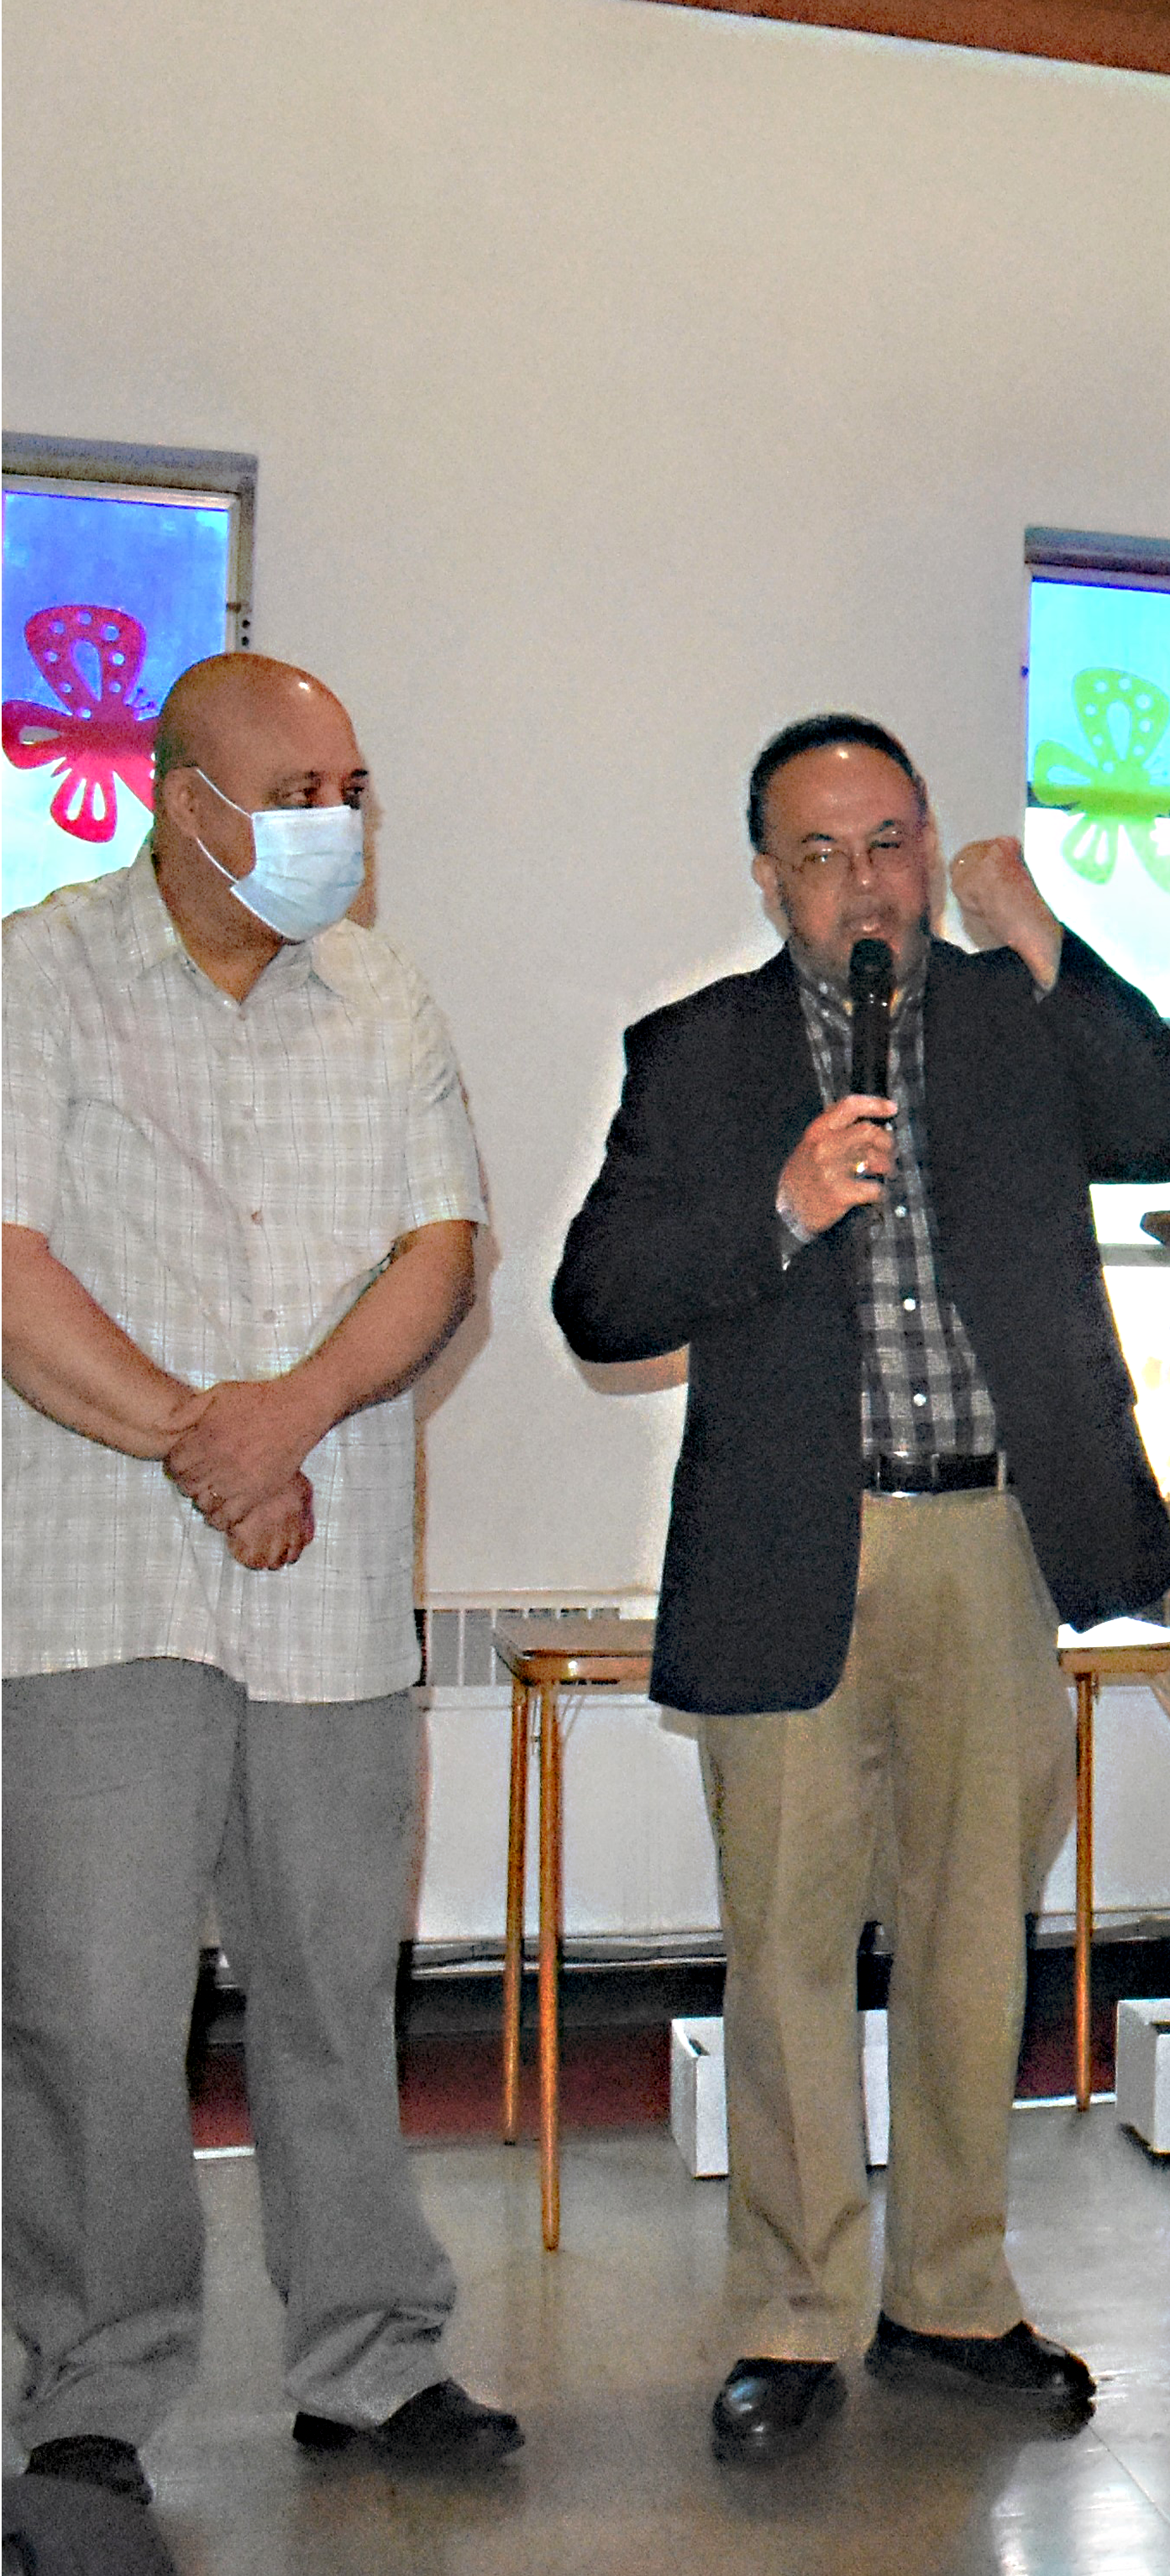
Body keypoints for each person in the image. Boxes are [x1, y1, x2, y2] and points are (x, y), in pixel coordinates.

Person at [555, 713, 1170, 2463]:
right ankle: (791, 2313)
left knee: (970, 1941)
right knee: (782, 1952)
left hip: (990, 1539)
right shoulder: (695, 1056)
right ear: (770, 879)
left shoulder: (1012, 1017)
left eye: (897, 842)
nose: (872, 884)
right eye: (830, 854)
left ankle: (953, 2291)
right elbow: (600, 1296)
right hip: (795, 1550)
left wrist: (1050, 935)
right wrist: (773, 1208)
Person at [4, 655, 520, 2507]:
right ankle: (87, 2387)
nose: (334, 825)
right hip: (90, 1587)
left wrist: (288, 1413)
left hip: (330, 1574)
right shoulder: (37, 972)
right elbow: (10, 1264)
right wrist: (192, 1438)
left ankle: (369, 2360)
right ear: (180, 799)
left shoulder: (380, 993)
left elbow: (441, 1246)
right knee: (90, 2003)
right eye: (294, 790)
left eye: (352, 786)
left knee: (332, 1985)